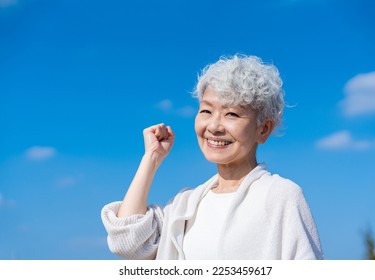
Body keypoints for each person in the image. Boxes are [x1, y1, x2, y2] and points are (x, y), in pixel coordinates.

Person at [101, 55, 323, 260]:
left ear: (263, 129)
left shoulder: (280, 196)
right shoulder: (185, 204)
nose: (214, 126)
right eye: (206, 111)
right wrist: (151, 158)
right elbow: (127, 242)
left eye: (232, 114)